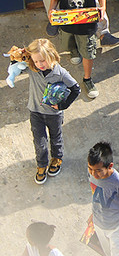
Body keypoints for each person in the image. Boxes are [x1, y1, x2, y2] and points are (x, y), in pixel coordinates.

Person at [48, 0, 106, 99]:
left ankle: (87, 79)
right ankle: (74, 50)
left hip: (87, 25)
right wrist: (51, 10)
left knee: (88, 51)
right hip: (67, 23)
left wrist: (102, 9)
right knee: (69, 41)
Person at [26, 38, 80, 184]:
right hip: (35, 111)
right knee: (39, 141)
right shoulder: (32, 69)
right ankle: (41, 165)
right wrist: (17, 57)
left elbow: (76, 89)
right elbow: (16, 65)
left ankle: (57, 159)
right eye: (36, 61)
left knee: (56, 138)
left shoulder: (60, 73)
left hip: (53, 114)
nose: (39, 65)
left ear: (51, 55)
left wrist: (62, 106)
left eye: (42, 60)